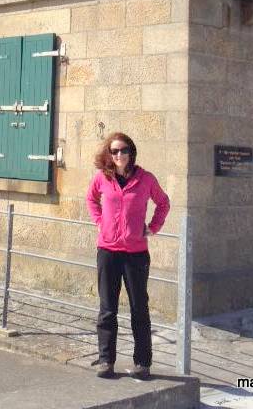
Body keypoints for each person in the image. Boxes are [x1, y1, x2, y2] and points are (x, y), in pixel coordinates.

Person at [86, 132, 170, 379]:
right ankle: (105, 361)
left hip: (135, 254)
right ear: (109, 155)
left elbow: (163, 203)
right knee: (107, 309)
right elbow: (91, 199)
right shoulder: (102, 178)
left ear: (131, 152)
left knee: (139, 309)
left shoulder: (146, 179)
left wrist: (153, 227)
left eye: (123, 150)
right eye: (114, 151)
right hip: (108, 252)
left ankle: (143, 363)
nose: (119, 155)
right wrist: (100, 221)